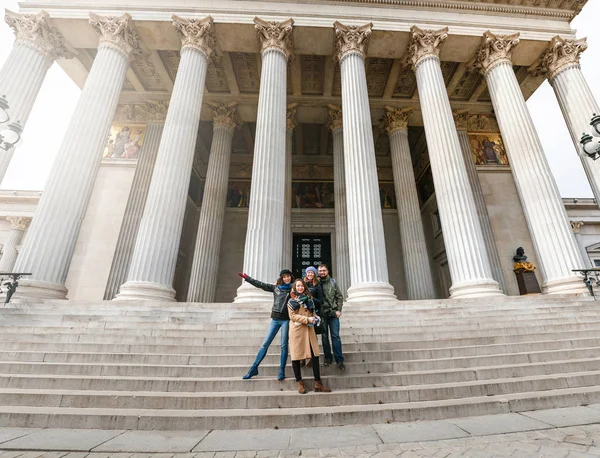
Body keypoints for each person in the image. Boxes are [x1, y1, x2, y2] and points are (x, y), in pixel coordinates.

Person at [238, 269, 294, 381]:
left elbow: (305, 288)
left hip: (286, 320)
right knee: (265, 344)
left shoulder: (294, 289)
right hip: (275, 319)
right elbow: (261, 285)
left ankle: (281, 370)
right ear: (281, 278)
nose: (286, 278)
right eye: (284, 277)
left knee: (284, 346)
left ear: (291, 277)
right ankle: (253, 368)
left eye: (288, 276)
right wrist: (247, 278)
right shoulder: (275, 288)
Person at [287, 279, 331, 394]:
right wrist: (307, 319)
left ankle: (318, 383)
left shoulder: (310, 299)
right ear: (295, 288)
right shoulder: (291, 301)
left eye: (302, 286)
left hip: (309, 330)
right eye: (298, 286)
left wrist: (316, 318)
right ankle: (299, 382)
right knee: (296, 357)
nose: (300, 288)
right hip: (298, 331)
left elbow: (313, 313)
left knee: (315, 356)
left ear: (304, 287)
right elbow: (292, 316)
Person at [317, 263, 345, 370]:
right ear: (317, 272)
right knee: (324, 338)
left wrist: (338, 310)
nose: (322, 272)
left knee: (335, 337)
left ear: (327, 271)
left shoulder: (333, 282)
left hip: (333, 314)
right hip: (322, 314)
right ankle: (328, 358)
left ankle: (339, 360)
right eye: (320, 271)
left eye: (324, 270)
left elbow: (339, 297)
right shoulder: (316, 283)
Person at [302, 266, 323, 367]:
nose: (310, 274)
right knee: (302, 336)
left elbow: (320, 301)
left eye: (312, 273)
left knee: (312, 337)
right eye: (308, 272)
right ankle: (302, 357)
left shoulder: (317, 285)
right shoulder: (301, 284)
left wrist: (311, 298)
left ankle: (312, 357)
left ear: (314, 274)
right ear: (306, 273)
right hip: (302, 314)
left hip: (313, 314)